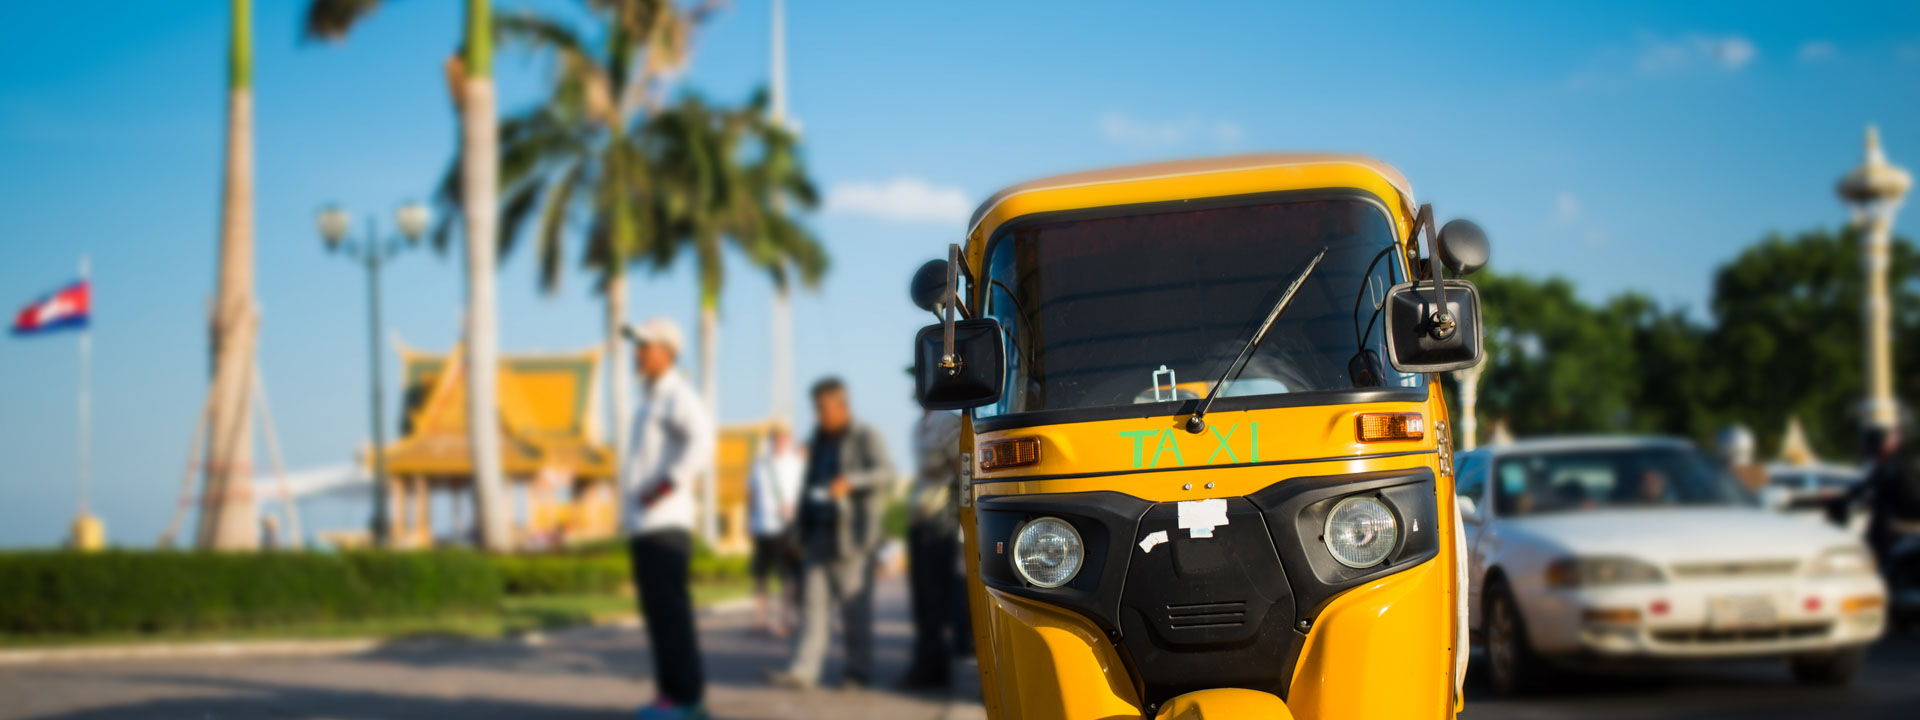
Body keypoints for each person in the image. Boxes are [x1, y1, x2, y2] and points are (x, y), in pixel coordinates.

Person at [766, 378, 896, 690]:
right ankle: (803, 671)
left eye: (823, 408)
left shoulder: (865, 436)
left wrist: (851, 481)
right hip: (817, 537)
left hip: (851, 540)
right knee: (812, 609)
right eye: (816, 409)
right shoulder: (818, 440)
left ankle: (857, 672)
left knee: (854, 613)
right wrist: (796, 531)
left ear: (841, 406)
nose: (818, 415)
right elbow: (809, 489)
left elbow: (887, 473)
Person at [620, 317, 715, 720]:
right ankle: (671, 695)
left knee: (671, 616)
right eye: (637, 345)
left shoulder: (677, 394)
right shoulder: (651, 398)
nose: (637, 352)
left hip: (665, 524)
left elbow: (702, 443)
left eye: (645, 345)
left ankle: (685, 699)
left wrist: (664, 486)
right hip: (646, 525)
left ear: (668, 351)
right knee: (659, 616)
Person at [897, 407, 969, 691]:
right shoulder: (920, 425)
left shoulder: (947, 422)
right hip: (922, 519)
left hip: (942, 520)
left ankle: (931, 666)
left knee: (936, 598)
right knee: (923, 600)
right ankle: (930, 664)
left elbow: (961, 469)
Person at [746, 420, 805, 637]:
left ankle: (784, 620)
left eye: (783, 437)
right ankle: (760, 620)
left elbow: (804, 494)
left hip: (785, 528)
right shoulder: (760, 464)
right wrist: (748, 521)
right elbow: (751, 494)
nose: (779, 441)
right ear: (771, 440)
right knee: (760, 576)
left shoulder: (797, 464)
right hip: (762, 526)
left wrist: (793, 508)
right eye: (776, 437)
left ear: (789, 440)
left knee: (786, 577)